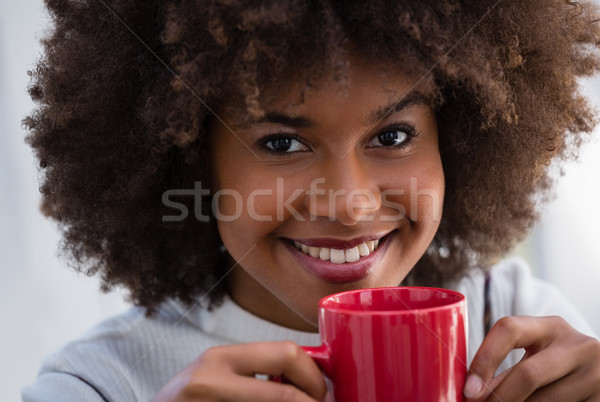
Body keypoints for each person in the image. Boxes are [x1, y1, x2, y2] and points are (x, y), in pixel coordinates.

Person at [21, 0, 600, 401]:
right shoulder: (101, 382)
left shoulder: (513, 325)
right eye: (281, 143)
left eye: (393, 136)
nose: (350, 205)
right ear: (192, 161)